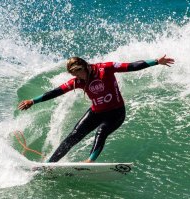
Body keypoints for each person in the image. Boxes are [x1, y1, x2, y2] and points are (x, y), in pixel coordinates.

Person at [18, 55, 175, 163]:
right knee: (73, 136)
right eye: (74, 73)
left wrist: (156, 61)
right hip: (96, 112)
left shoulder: (105, 69)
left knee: (102, 132)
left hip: (116, 113)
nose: (78, 76)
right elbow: (56, 92)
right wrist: (33, 101)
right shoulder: (77, 81)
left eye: (79, 71)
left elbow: (131, 66)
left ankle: (90, 161)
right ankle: (50, 164)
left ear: (86, 66)